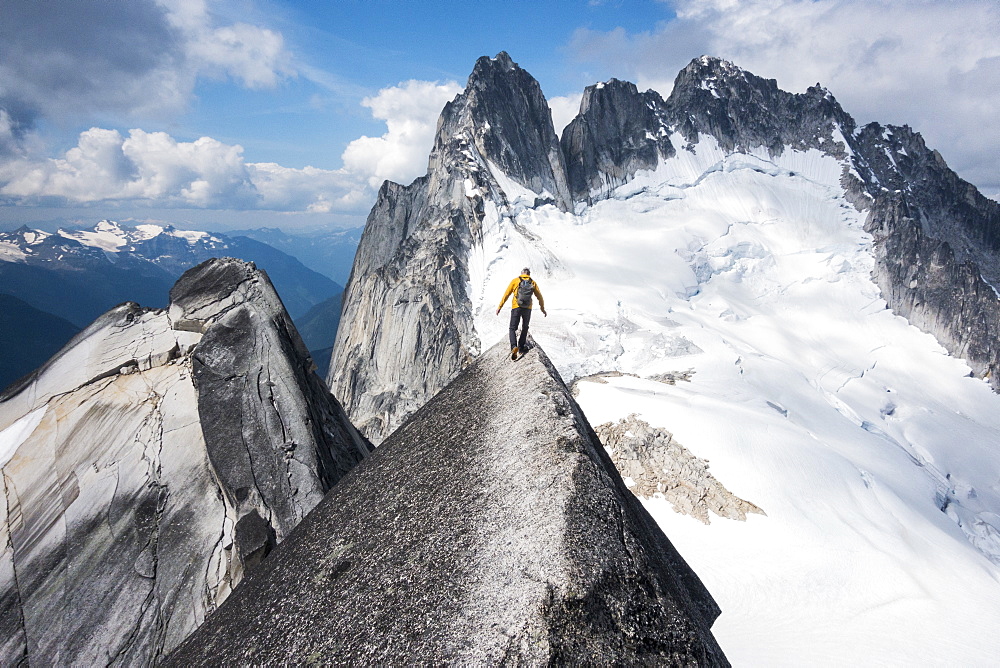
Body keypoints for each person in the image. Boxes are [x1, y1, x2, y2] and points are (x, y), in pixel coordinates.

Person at [496, 267, 546, 360]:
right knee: (525, 327)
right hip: (527, 308)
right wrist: (542, 309)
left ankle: (514, 346)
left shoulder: (515, 281)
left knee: (512, 328)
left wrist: (500, 307)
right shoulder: (533, 282)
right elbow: (540, 297)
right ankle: (521, 347)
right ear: (529, 274)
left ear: (521, 273)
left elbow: (506, 294)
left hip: (516, 307)